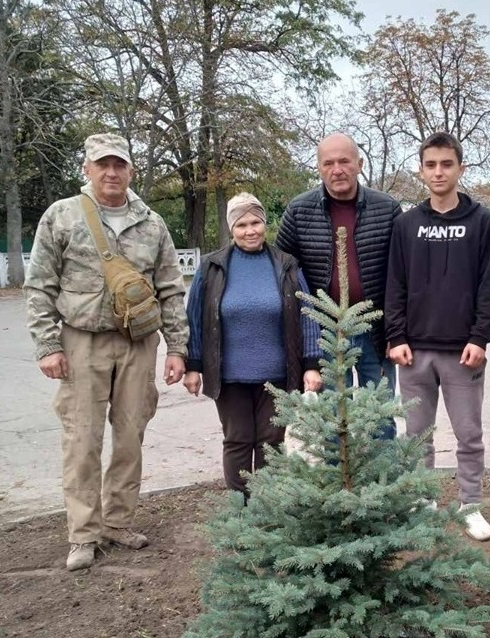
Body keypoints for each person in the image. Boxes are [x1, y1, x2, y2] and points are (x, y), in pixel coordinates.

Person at [24, 133, 189, 571]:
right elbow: (40, 284)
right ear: (87, 168)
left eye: (119, 165)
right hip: (81, 341)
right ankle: (83, 534)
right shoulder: (62, 216)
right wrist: (47, 344)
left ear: (130, 170)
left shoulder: (151, 222)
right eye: (103, 165)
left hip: (138, 343)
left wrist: (177, 349)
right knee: (81, 440)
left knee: (130, 436)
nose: (111, 172)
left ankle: (117, 522)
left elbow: (172, 289)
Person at [385, 132, 490, 542]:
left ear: (460, 168)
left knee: (469, 434)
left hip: (462, 352)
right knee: (416, 436)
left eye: (446, 164)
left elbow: (489, 285)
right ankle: (422, 502)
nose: (438, 172)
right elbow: (394, 283)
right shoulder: (407, 224)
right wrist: (395, 335)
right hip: (414, 352)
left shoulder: (480, 222)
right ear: (421, 170)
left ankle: (470, 504)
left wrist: (479, 338)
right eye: (430, 165)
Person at [183, 193, 322, 495]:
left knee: (272, 442)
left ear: (265, 223)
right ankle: (240, 513)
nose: (250, 230)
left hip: (277, 375)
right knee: (237, 440)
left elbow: (308, 314)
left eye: (256, 222)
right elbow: (195, 319)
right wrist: (192, 366)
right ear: (231, 229)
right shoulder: (211, 268)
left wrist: (311, 363)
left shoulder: (287, 266)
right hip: (229, 375)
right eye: (242, 224)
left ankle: (268, 510)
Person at [276, 133, 402, 437]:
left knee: (380, 418)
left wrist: (397, 333)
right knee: (333, 423)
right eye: (328, 163)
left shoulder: (387, 210)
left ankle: (382, 483)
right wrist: (302, 335)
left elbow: (403, 277)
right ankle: (338, 482)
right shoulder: (299, 211)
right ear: (319, 168)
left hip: (376, 332)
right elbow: (283, 273)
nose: (337, 169)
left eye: (344, 161)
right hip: (324, 334)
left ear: (358, 164)